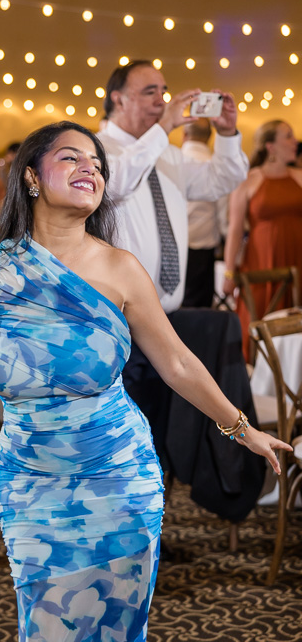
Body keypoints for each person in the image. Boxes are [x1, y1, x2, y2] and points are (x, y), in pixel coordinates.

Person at [0, 121, 288, 642]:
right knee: (46, 628)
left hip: (120, 477)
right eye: (72, 159)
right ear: (31, 177)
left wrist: (242, 428)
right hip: (33, 484)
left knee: (120, 627)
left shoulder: (121, 269)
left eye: (98, 165)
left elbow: (177, 363)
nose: (91, 170)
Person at [97, 61, 249, 465]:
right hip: (120, 322)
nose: (162, 100)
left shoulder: (170, 155)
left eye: (164, 90)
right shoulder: (95, 149)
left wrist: (228, 133)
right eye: (150, 92)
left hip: (168, 319)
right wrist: (161, 128)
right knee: (125, 438)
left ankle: (155, 513)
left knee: (162, 432)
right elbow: (116, 183)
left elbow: (224, 179)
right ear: (118, 99)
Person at [223, 119, 302, 361]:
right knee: (258, 315)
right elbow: (235, 230)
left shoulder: (299, 177)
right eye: (288, 136)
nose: (295, 142)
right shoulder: (249, 180)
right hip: (261, 260)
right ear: (271, 147)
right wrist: (229, 272)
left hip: (297, 258)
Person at [181, 118, 229, 308]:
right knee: (199, 307)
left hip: (169, 245)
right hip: (202, 248)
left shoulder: (169, 162)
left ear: (184, 135)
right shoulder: (216, 167)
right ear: (209, 137)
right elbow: (223, 215)